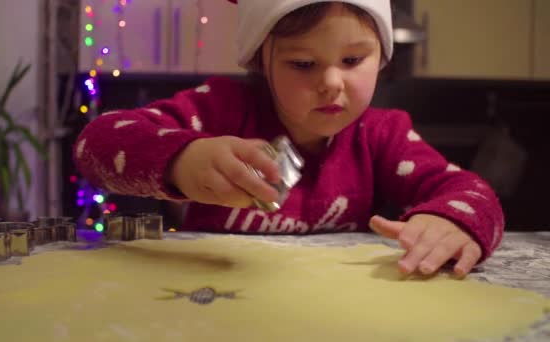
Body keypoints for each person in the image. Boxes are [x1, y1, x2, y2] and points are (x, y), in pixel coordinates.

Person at [74, 0, 504, 277]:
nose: (332, 82)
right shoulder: (220, 109)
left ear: (382, 58)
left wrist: (451, 221)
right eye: (302, 63)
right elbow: (94, 144)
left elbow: (472, 191)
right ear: (263, 60)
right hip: (218, 307)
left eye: (353, 59)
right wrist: (182, 160)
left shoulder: (382, 133)